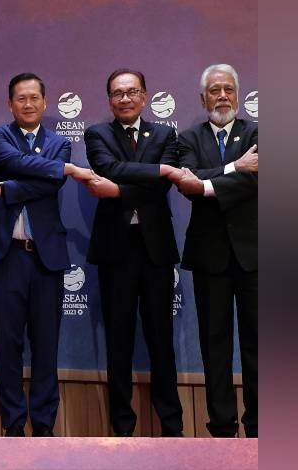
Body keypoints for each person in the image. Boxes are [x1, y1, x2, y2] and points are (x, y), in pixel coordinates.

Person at [0, 72, 94, 437]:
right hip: (6, 255)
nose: (27, 104)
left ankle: (43, 428)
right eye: (20, 99)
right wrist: (63, 170)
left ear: (44, 103)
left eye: (34, 98)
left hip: (46, 257)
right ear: (10, 104)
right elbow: (27, 168)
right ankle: (12, 426)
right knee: (7, 345)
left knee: (45, 346)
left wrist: (4, 190)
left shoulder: (60, 142)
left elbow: (46, 181)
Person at [82, 69, 184, 437]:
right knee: (119, 341)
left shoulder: (165, 133)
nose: (124, 98)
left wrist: (119, 191)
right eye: (117, 93)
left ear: (144, 96)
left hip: (156, 250)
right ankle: (122, 429)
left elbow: (158, 190)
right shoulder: (97, 133)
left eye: (132, 92)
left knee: (162, 341)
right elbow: (107, 168)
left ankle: (172, 428)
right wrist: (159, 170)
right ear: (109, 99)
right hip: (116, 250)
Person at [173, 63, 257, 438]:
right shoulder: (188, 138)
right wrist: (236, 166)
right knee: (215, 345)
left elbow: (254, 183)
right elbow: (186, 182)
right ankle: (221, 429)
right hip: (210, 258)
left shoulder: (259, 132)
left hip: (255, 256)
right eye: (214, 90)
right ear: (202, 97)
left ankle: (259, 427)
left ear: (237, 96)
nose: (222, 96)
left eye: (228, 89)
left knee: (258, 346)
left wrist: (208, 184)